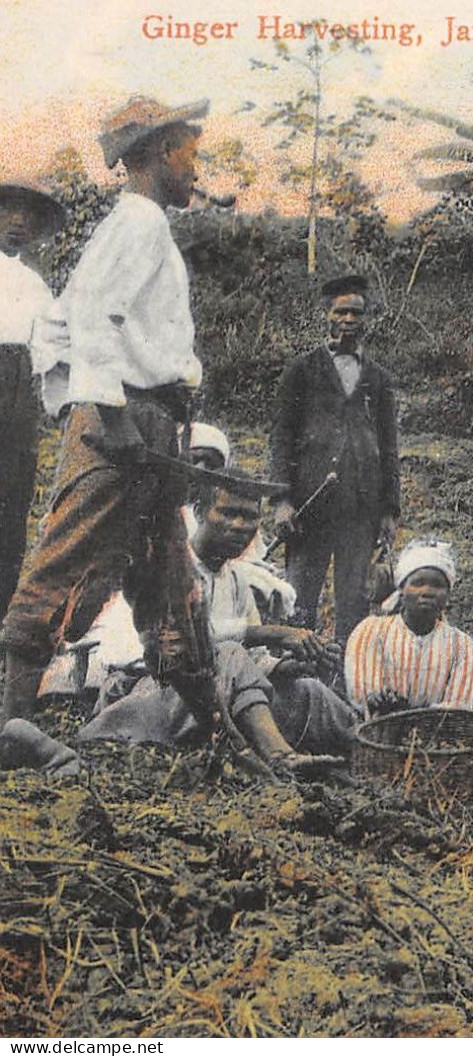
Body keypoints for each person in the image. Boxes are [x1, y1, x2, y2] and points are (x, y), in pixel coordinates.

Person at [1, 97, 219, 735]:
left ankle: (217, 723)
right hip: (124, 420)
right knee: (64, 560)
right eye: (190, 156)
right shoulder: (139, 223)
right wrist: (110, 413)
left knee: (167, 570)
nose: (196, 171)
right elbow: (93, 315)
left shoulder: (145, 224)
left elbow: (67, 323)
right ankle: (12, 724)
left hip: (150, 421)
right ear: (157, 154)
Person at [74, 471, 355, 767]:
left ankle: (369, 743)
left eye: (249, 517)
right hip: (150, 698)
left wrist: (292, 666)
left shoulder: (236, 579)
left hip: (217, 699)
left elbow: (253, 660)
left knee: (307, 689)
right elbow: (166, 649)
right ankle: (279, 755)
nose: (239, 526)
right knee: (228, 654)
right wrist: (270, 633)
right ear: (199, 511)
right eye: (228, 513)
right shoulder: (163, 566)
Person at [271, 274, 400, 647]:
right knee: (300, 599)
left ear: (365, 319)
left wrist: (390, 509)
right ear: (327, 315)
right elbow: (281, 436)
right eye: (341, 311)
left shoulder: (378, 379)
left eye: (356, 313)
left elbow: (389, 445)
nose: (348, 319)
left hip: (360, 508)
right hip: (310, 504)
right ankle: (298, 671)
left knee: (354, 602)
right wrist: (282, 500)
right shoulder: (302, 370)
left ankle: (346, 679)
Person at [0, 182, 63, 622]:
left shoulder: (36, 287)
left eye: (26, 215)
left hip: (18, 395)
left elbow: (50, 355)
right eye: (8, 212)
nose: (17, 222)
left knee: (11, 500)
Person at [344, 539, 473, 715]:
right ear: (402, 589)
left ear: (448, 595)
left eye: (438, 585)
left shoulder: (461, 645)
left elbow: (457, 708)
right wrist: (381, 702)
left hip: (437, 735)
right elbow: (364, 696)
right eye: (417, 583)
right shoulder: (372, 631)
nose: (427, 592)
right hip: (376, 733)